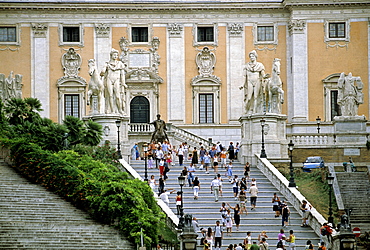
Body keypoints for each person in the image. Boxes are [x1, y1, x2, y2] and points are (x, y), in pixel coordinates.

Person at [100, 48, 126, 114]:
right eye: (114, 55)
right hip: (109, 79)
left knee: (117, 96)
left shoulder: (120, 64)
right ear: (111, 55)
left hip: (117, 80)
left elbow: (122, 74)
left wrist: (123, 83)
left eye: (116, 55)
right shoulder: (107, 64)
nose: (115, 56)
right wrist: (103, 70)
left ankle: (120, 110)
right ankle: (112, 111)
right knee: (110, 95)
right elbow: (102, 73)